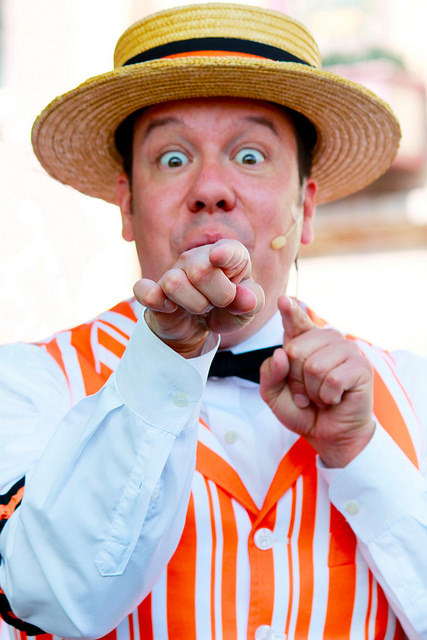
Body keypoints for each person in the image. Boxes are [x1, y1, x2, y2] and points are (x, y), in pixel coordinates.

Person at [0, 3, 426, 639]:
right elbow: (45, 599)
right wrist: (161, 364)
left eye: (251, 156)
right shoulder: (28, 384)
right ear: (127, 205)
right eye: (172, 159)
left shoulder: (413, 395)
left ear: (304, 208)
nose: (210, 188)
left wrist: (359, 452)